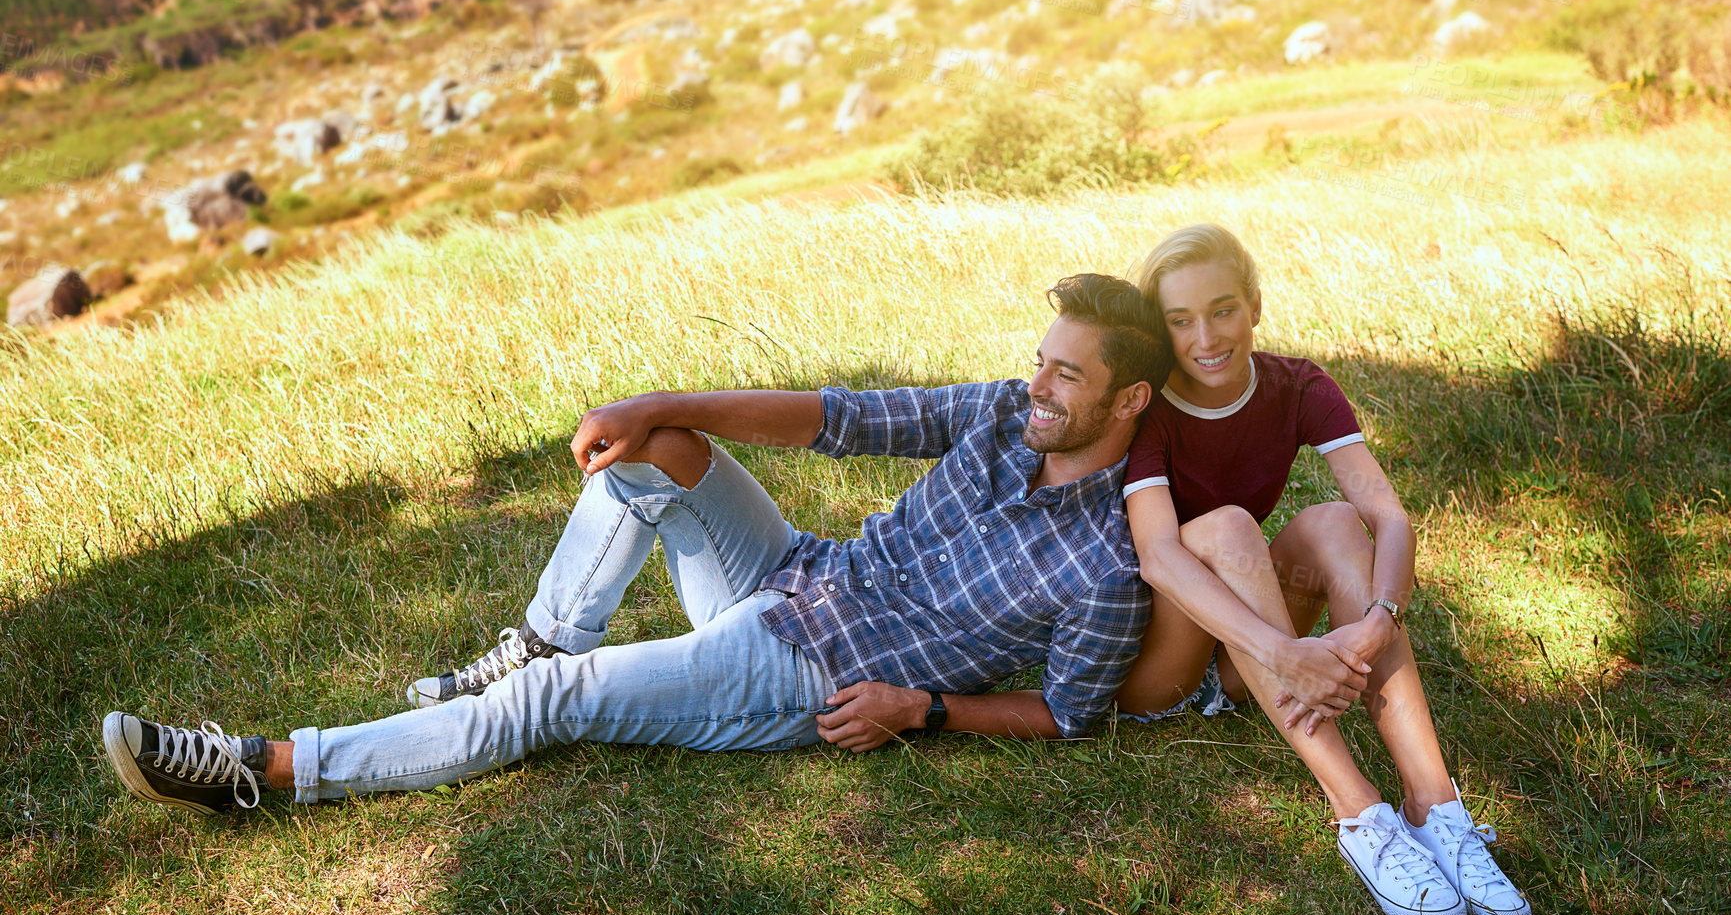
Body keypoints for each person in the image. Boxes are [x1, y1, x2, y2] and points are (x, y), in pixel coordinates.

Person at [102, 274, 1172, 815]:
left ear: (1127, 399)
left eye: (1065, 377)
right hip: (806, 574)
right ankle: (546, 632)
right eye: (1040, 362)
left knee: (548, 712)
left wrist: (922, 711)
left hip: (815, 672)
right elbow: (836, 418)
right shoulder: (996, 416)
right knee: (653, 451)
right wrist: (659, 400)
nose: (1036, 387)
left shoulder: (1115, 563)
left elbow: (1072, 716)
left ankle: (265, 770)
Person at [1112, 224, 1532, 915]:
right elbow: (1157, 555)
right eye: (1179, 320)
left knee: (1338, 520)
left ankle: (1434, 805)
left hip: (1245, 654)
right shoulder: (1149, 407)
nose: (1205, 336)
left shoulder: (1297, 384)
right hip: (1161, 659)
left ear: (1253, 304)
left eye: (1221, 309)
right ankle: (1359, 812)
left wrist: (1379, 616)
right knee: (1223, 526)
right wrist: (1286, 652)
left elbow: (1387, 517)